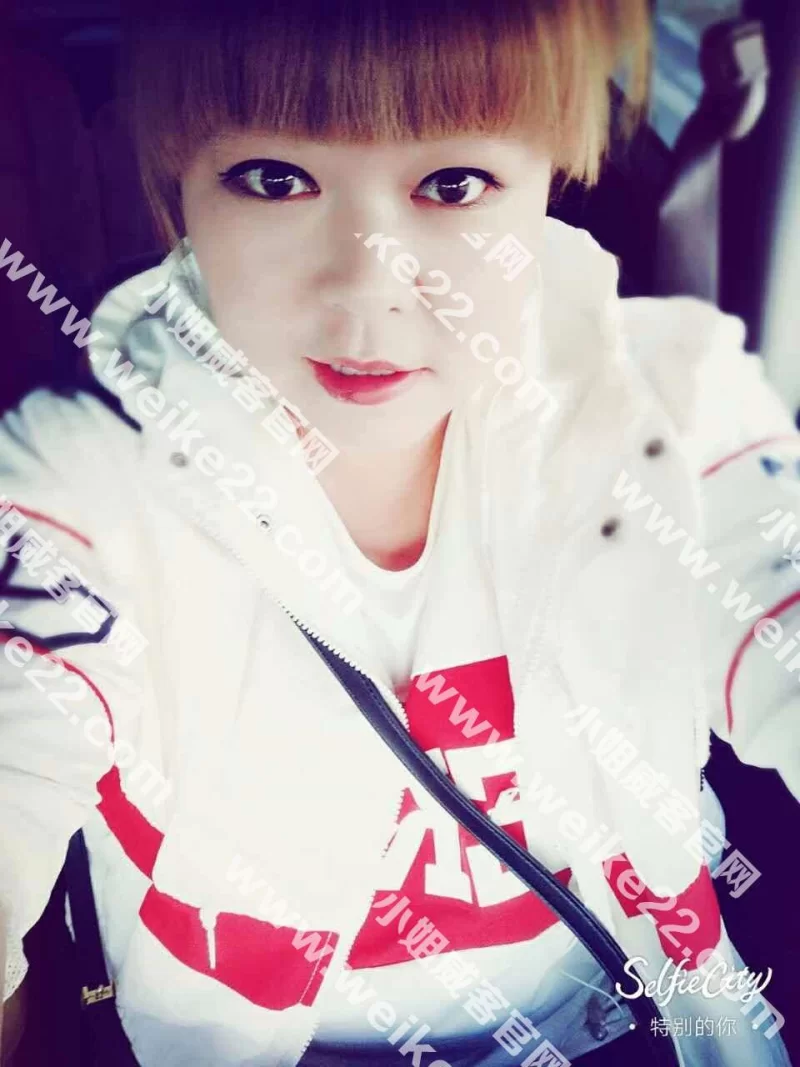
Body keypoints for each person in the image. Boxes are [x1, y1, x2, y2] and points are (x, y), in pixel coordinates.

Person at [0, 1, 798, 1065]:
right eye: (274, 178)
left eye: (453, 184)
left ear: (546, 177)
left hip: (618, 1017)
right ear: (176, 188)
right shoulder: (87, 476)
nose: (368, 288)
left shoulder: (670, 409)